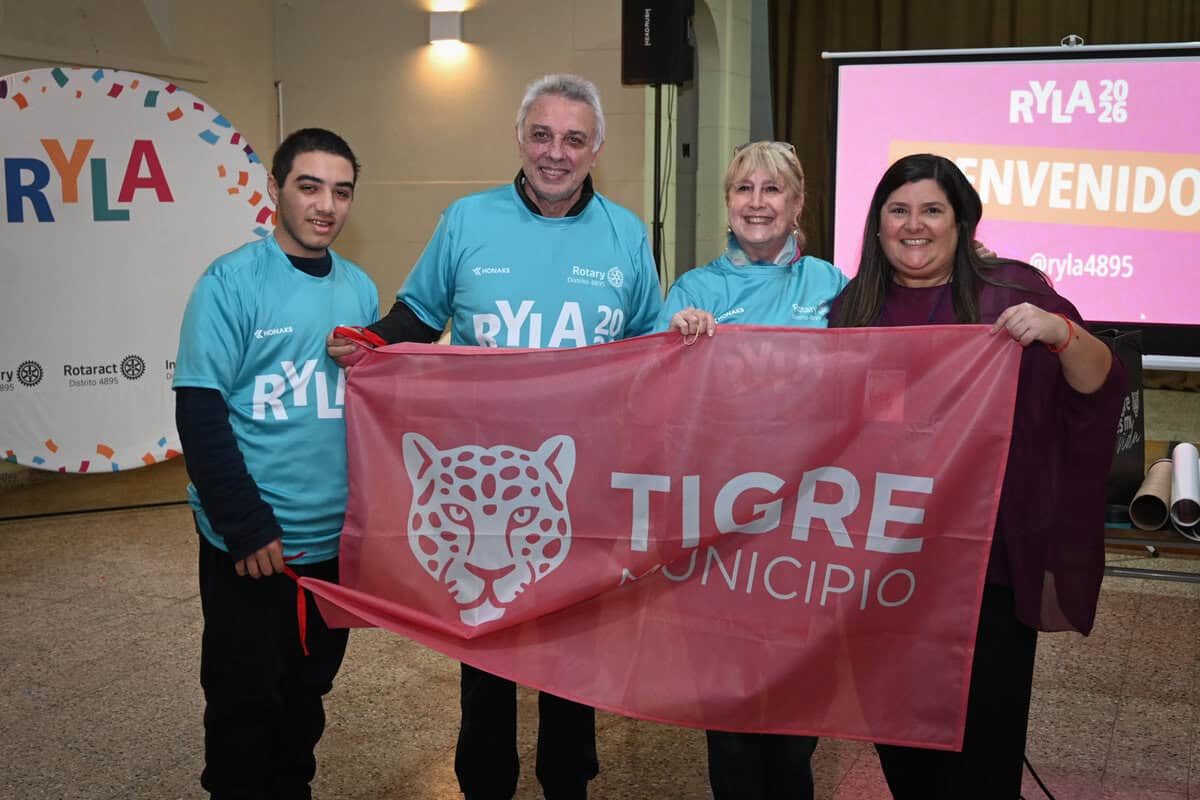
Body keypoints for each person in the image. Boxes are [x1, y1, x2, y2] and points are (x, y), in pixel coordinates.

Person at [327, 74, 662, 800]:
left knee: (572, 653)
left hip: (580, 490)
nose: (555, 153)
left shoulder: (626, 235)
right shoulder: (467, 221)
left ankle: (566, 782)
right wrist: (368, 343)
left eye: (574, 139)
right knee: (487, 652)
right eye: (542, 135)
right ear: (520, 137)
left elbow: (651, 355)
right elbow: (416, 315)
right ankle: (484, 784)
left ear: (597, 147)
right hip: (478, 483)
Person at [829, 153, 1124, 798]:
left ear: (961, 222)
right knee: (904, 753)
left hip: (985, 569)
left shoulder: (1014, 292)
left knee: (985, 760)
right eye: (899, 210)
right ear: (877, 225)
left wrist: (1061, 333)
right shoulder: (852, 311)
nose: (915, 225)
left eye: (933, 210)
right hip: (887, 569)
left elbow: (1101, 380)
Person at [174, 128, 379, 799]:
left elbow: (377, 415)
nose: (326, 205)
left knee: (306, 696)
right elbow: (200, 414)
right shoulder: (229, 282)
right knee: (242, 699)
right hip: (253, 544)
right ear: (274, 190)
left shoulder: (361, 291)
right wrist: (246, 524)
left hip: (331, 545)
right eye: (309, 186)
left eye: (341, 191)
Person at [658, 140, 846, 800]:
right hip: (721, 530)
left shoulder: (831, 285)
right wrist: (674, 342)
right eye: (744, 189)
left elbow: (879, 383)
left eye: (773, 190)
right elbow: (656, 406)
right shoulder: (692, 290)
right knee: (731, 715)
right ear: (728, 203)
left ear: (798, 206)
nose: (757, 203)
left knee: (795, 721)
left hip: (810, 527)